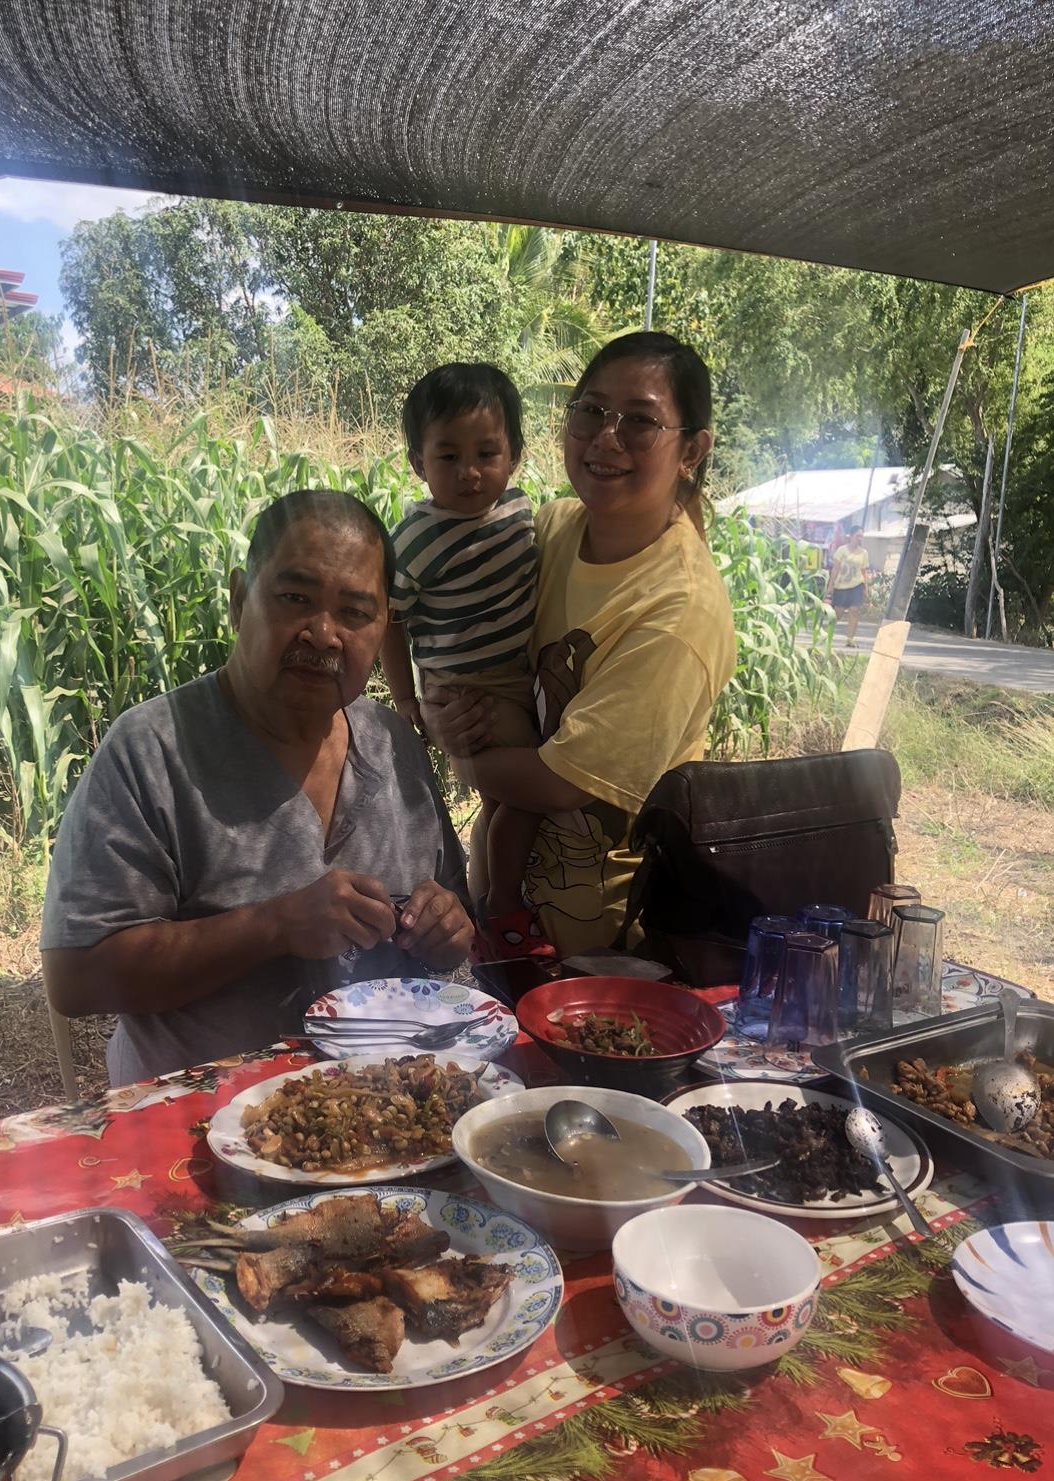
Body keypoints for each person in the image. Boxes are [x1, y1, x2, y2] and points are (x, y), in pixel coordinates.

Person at [42, 489, 474, 1086]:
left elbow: (453, 909)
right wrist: (274, 927)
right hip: (201, 1115)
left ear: (383, 629)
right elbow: (75, 976)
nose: (323, 634)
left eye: (355, 612)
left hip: (384, 1107)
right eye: (295, 598)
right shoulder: (152, 751)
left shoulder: (394, 744)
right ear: (239, 598)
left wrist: (446, 929)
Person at [421, 331, 736, 958]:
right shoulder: (550, 529)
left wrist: (449, 753)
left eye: (640, 421)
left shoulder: (679, 611)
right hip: (506, 929)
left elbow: (561, 783)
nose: (606, 438)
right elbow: (459, 634)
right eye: (591, 410)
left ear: (691, 450)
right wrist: (437, 712)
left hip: (607, 954)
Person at [379, 362, 549, 959]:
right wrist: (409, 699)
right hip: (468, 688)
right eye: (448, 456)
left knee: (500, 803)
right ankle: (504, 906)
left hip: (518, 677)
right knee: (528, 795)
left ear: (515, 455)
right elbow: (390, 620)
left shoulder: (521, 511)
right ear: (417, 463)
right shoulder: (416, 538)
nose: (470, 472)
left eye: (487, 453)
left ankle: (485, 909)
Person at [827, 527, 871, 645]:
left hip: (857, 585)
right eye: (857, 536)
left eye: (861, 536)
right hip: (841, 586)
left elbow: (864, 572)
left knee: (854, 610)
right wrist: (830, 586)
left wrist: (866, 588)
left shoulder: (864, 553)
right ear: (851, 536)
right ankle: (826, 634)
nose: (859, 538)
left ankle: (850, 639)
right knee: (838, 612)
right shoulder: (842, 550)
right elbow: (835, 569)